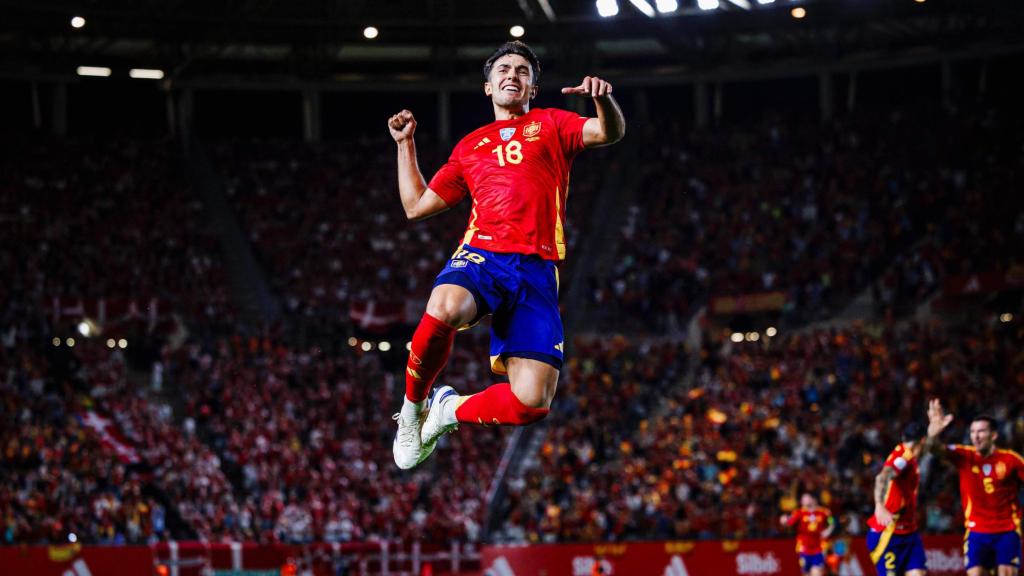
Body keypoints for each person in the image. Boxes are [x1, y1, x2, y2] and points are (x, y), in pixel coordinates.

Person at [386, 40, 626, 469]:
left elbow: (608, 132)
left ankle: (447, 411)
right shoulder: (470, 146)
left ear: (533, 87)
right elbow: (415, 206)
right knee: (444, 307)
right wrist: (406, 145)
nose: (512, 75)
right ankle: (411, 411)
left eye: (522, 71)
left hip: (537, 270)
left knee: (532, 401)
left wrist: (603, 102)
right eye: (503, 70)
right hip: (484, 254)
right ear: (487, 86)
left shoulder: (553, 124)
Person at [927, 399, 1024, 576]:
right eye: (972, 432)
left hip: (1007, 530)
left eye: (981, 431)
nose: (976, 436)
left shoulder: (1011, 460)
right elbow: (934, 449)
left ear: (993, 435)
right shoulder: (964, 456)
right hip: (976, 532)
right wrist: (933, 434)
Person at [866, 422, 928, 576]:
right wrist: (879, 505)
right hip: (888, 533)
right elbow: (882, 477)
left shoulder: (909, 454)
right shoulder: (904, 457)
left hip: (910, 533)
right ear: (922, 441)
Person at [780, 493, 835, 576]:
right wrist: (784, 521)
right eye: (802, 499)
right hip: (804, 549)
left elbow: (832, 521)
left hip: (819, 549)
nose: (804, 501)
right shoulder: (799, 513)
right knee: (806, 573)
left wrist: (829, 530)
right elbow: (789, 522)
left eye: (806, 498)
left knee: (816, 573)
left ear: (813, 499)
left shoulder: (824, 512)